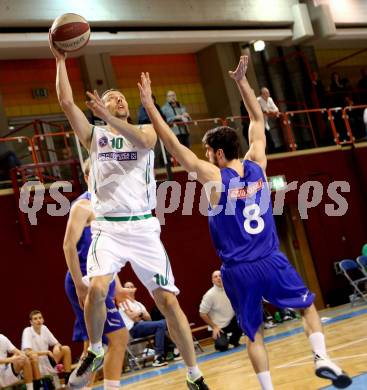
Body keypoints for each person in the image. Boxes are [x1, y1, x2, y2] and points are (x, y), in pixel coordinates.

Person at [137, 55, 352, 390]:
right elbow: (255, 116)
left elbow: (174, 145)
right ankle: (321, 356)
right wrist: (242, 80)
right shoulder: (259, 164)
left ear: (218, 154)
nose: (207, 156)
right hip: (271, 258)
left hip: (238, 270)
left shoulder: (214, 178)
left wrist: (150, 106)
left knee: (254, 334)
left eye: (208, 151)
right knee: (308, 309)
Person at [49, 34, 209, 390]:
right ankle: (93, 350)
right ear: (100, 110)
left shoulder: (144, 130)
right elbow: (64, 101)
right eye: (110, 99)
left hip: (144, 229)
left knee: (168, 301)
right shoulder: (94, 137)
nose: (118, 100)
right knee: (98, 287)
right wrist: (60, 59)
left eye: (121, 99)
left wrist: (111, 117)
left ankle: (194, 373)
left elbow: (147, 142)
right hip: (108, 228)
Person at [63, 158, 128, 390]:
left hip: (104, 278)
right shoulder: (83, 206)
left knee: (92, 344)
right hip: (85, 280)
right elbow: (68, 246)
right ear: (88, 176)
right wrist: (81, 286)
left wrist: (118, 285)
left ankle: (81, 387)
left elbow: (109, 250)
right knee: (118, 337)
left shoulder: (110, 205)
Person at [119, 281, 180, 366]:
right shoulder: (123, 302)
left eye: (132, 286)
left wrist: (139, 314)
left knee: (166, 323)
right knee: (161, 324)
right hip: (133, 329)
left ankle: (173, 350)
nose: (130, 288)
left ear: (135, 289)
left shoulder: (138, 304)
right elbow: (133, 318)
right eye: (127, 287)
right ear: (123, 290)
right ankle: (159, 356)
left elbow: (149, 318)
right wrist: (141, 314)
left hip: (142, 325)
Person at [21, 310, 72, 386]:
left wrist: (57, 347)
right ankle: (39, 386)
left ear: (43, 320)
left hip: (47, 363)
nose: (38, 320)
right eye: (35, 319)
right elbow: (27, 352)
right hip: (34, 366)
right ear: (31, 322)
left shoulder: (44, 328)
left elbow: (57, 343)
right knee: (33, 357)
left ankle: (68, 381)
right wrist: (47, 352)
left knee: (65, 349)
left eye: (40, 318)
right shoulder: (27, 331)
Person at [199, 270, 242, 352]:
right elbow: (202, 314)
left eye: (220, 275)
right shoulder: (209, 295)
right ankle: (222, 340)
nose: (218, 278)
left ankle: (233, 340)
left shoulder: (232, 289)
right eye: (215, 276)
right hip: (218, 327)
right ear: (212, 280)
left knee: (245, 318)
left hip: (232, 322)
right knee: (222, 347)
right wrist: (214, 327)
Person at [256, 87, 278, 153]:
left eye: (268, 93)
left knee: (269, 140)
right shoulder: (258, 100)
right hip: (258, 124)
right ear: (262, 94)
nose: (268, 94)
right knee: (268, 141)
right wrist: (271, 112)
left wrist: (270, 112)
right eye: (266, 93)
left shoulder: (270, 99)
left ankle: (271, 153)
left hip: (265, 123)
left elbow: (276, 110)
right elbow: (264, 111)